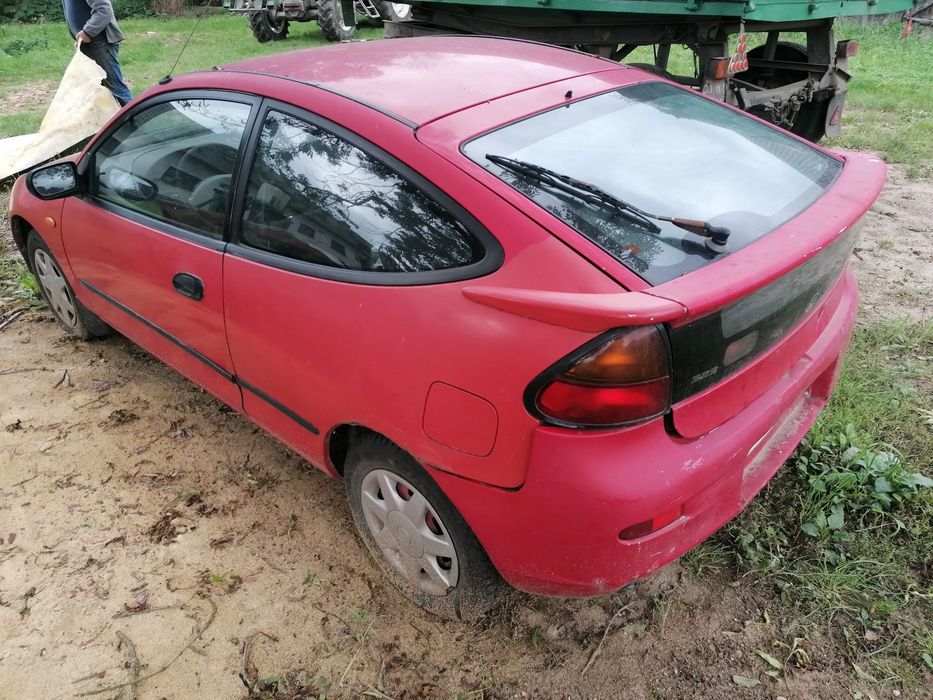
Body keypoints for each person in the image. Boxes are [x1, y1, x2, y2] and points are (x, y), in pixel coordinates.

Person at [62, 0, 133, 106]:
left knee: (117, 89)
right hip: (89, 43)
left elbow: (104, 10)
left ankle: (140, 120)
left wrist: (87, 31)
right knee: (96, 91)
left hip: (99, 42)